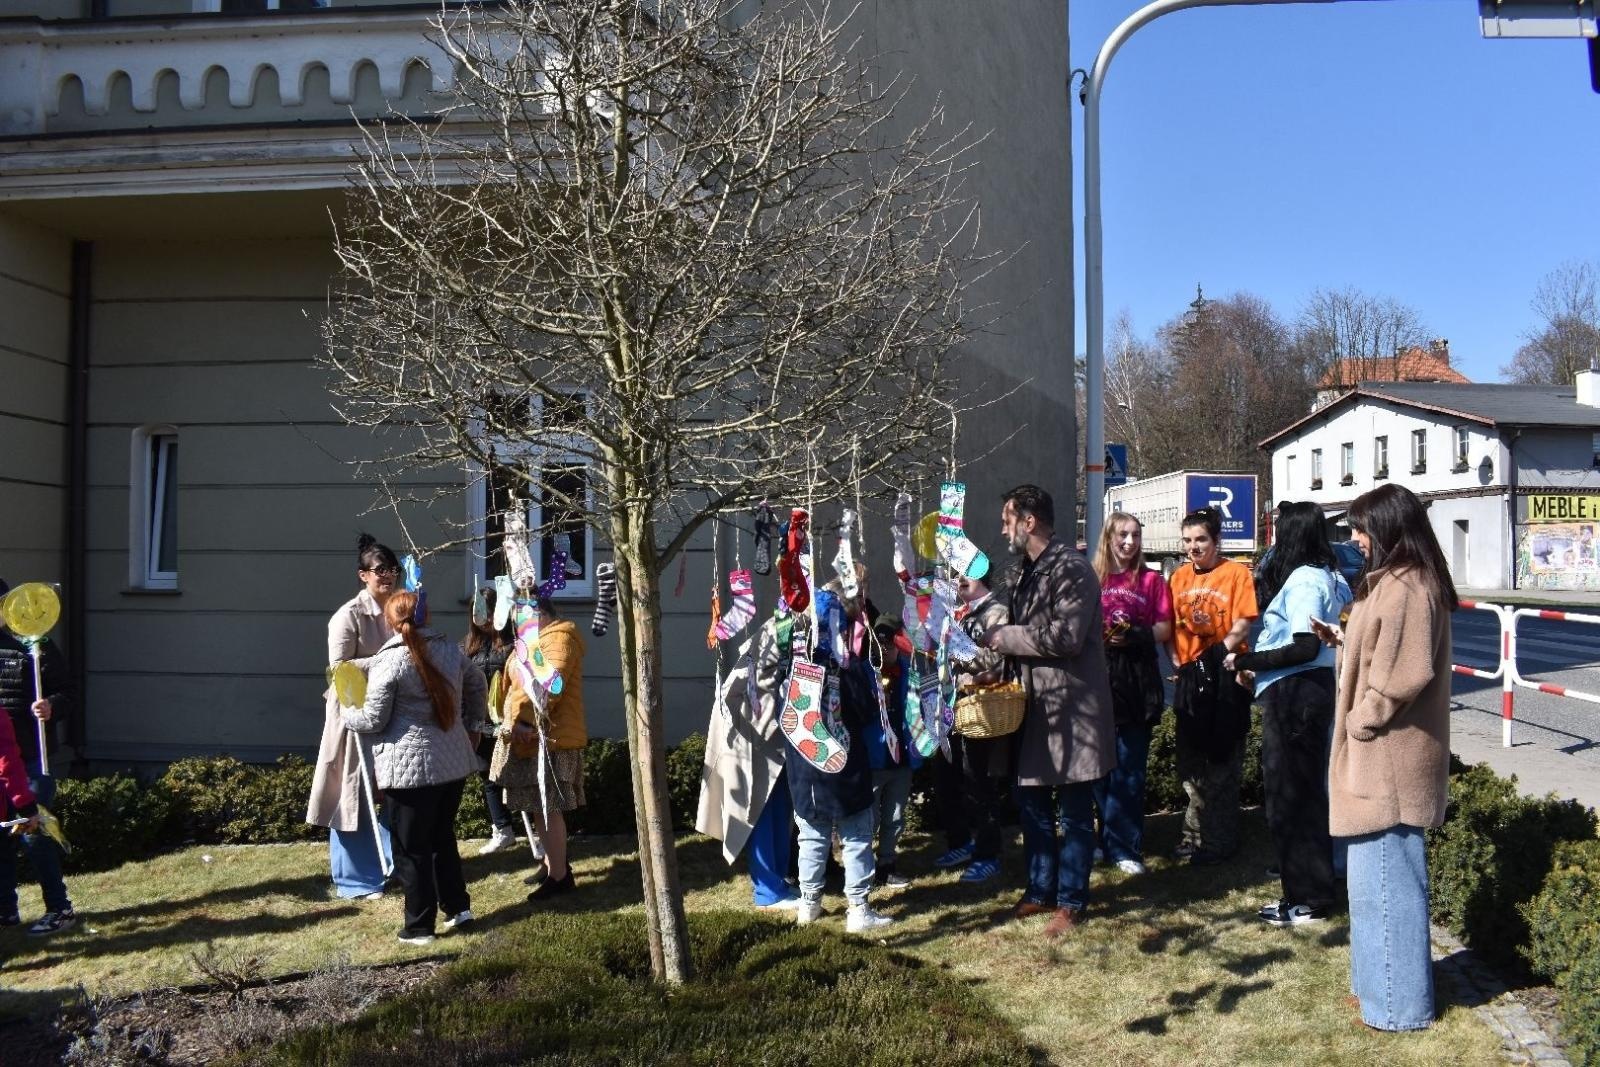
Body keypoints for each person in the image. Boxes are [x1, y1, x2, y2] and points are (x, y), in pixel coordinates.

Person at [1316, 483, 1455, 1031]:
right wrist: (1343, 644)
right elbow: (1386, 655)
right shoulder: (1396, 584)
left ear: (1390, 528)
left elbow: (1405, 672)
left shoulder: (1406, 587)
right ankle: (1378, 991)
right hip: (1382, 755)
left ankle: (1397, 1006)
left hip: (1390, 758)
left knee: (1389, 887)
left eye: (1361, 528)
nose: (1355, 539)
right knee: (1371, 885)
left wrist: (1363, 717)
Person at [980, 485, 1114, 938]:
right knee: (1033, 805)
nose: (1003, 528)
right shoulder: (1026, 570)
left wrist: (1007, 637)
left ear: (1029, 520)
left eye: (1007, 518)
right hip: (1035, 708)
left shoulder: (1072, 568)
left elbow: (1066, 637)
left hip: (1072, 710)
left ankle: (1071, 901)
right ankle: (1040, 890)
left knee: (1075, 811)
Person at [1224, 502, 1352, 925]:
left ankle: (1309, 897)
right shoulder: (1330, 576)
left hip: (1296, 695)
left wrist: (1248, 661)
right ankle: (1303, 889)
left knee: (1291, 797)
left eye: (1280, 530)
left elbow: (1304, 645)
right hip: (1309, 692)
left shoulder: (1303, 581)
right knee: (1301, 793)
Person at [344, 590, 487, 945]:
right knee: (442, 838)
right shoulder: (450, 651)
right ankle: (458, 908)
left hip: (407, 772)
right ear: (427, 616)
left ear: (390, 621)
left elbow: (374, 719)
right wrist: (473, 725)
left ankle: (419, 926)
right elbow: (477, 682)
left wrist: (346, 712)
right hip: (452, 763)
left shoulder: (390, 660)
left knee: (411, 849)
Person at [785, 582, 893, 934]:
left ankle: (809, 903)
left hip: (804, 768)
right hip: (844, 767)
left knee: (811, 835)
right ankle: (858, 908)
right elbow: (864, 712)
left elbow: (786, 718)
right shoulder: (847, 670)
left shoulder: (794, 669)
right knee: (857, 834)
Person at [307, 534, 399, 900]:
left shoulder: (399, 609)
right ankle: (356, 880)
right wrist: (385, 664)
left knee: (395, 791)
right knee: (352, 794)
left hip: (393, 712)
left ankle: (393, 864)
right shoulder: (348, 616)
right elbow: (339, 671)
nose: (388, 576)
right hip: (353, 714)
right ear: (363, 575)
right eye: (380, 570)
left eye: (393, 569)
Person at [1167, 506, 1258, 866]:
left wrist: (1217, 654)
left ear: (1216, 540)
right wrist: (1178, 660)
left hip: (1225, 677)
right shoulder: (1178, 578)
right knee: (1191, 766)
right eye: (1188, 540)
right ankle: (1193, 835)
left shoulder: (1236, 574)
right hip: (1191, 679)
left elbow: (1241, 626)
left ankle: (1220, 840)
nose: (1194, 547)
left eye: (1201, 539)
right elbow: (1172, 627)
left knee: (1222, 764)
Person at [697, 611, 801, 911]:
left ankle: (779, 881)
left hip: (777, 745)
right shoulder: (761, 654)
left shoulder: (783, 644)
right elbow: (741, 700)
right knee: (759, 812)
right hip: (754, 747)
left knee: (781, 811)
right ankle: (767, 891)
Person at [1090, 514, 1171, 877]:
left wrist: (1134, 634)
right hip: (1097, 678)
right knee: (1096, 769)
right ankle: (1103, 839)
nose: (1129, 541)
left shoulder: (1152, 580)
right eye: (1122, 534)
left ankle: (1125, 846)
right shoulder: (1093, 578)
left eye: (1136, 535)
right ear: (1108, 538)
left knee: (1129, 767)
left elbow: (1165, 628)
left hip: (1136, 679)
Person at [496, 597, 588, 902]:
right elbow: (517, 684)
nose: (520, 627)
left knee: (549, 808)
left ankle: (559, 877)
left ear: (542, 615)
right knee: (540, 806)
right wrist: (512, 720)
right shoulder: (536, 641)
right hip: (533, 737)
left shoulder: (558, 639)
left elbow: (548, 688)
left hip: (549, 739)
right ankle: (552, 865)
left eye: (524, 620)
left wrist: (522, 721)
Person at [0, 577, 74, 936]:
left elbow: (69, 693)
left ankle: (59, 909)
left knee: (33, 832)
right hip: (1, 760)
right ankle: (5, 910)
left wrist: (51, 706)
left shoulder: (35, 646)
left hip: (31, 758)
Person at [931, 572, 1013, 885]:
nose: (958, 581)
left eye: (966, 575)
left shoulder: (997, 613)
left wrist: (957, 647)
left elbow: (994, 661)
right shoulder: (957, 613)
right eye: (955, 576)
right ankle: (961, 842)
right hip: (951, 709)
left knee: (981, 784)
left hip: (979, 709)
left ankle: (988, 854)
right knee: (947, 777)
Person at [463, 588, 523, 857]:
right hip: (481, 724)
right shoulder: (467, 647)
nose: (484, 619)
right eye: (478, 613)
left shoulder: (513, 644)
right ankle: (502, 830)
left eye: (488, 612)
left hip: (509, 721)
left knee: (520, 776)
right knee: (488, 777)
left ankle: (539, 833)